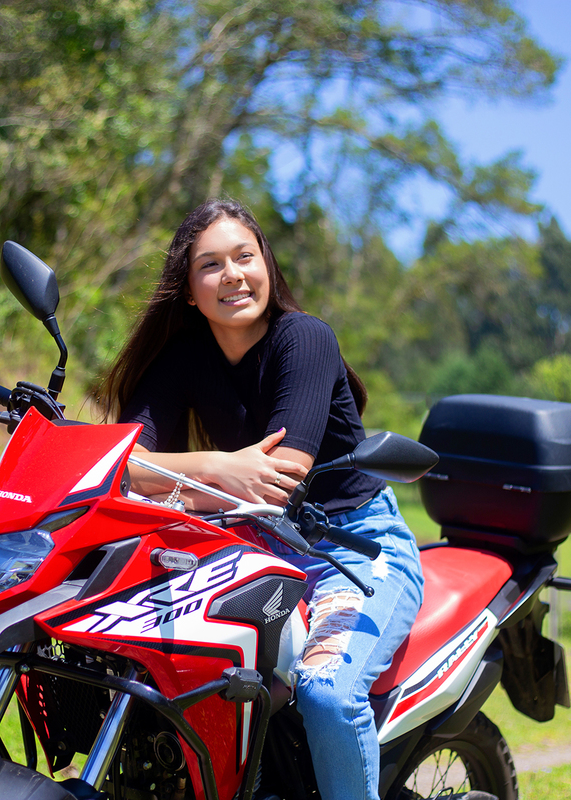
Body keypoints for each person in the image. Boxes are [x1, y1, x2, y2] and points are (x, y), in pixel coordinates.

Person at [98, 199, 424, 800]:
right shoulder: (184, 356)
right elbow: (123, 462)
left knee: (326, 693)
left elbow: (279, 477)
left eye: (244, 257)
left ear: (266, 264)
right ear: (188, 290)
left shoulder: (304, 338)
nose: (232, 275)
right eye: (210, 264)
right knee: (182, 675)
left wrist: (176, 478)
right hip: (249, 547)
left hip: (352, 550)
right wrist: (219, 465)